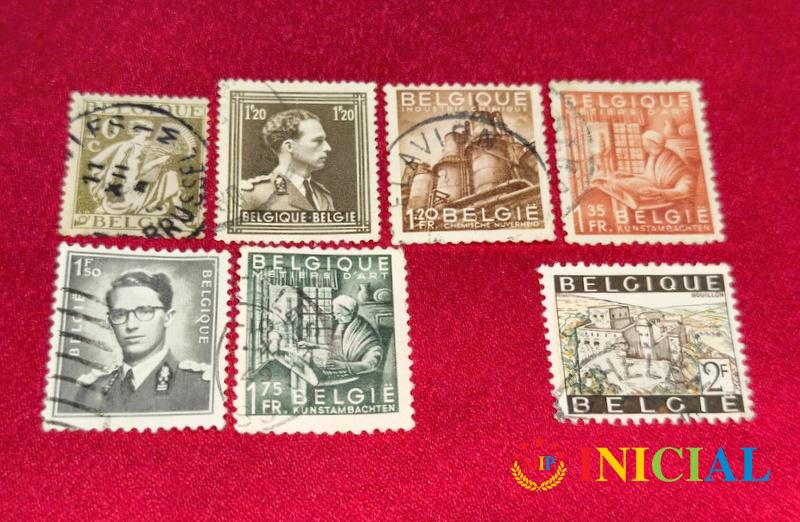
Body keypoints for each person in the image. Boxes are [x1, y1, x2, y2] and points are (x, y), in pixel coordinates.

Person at [73, 271, 210, 413]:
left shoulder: (199, 387)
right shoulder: (91, 391)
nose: (131, 325)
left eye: (145, 311)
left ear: (168, 317)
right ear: (110, 322)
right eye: (120, 314)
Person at [239, 109, 335, 211]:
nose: (328, 148)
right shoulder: (254, 194)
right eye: (318, 141)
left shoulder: (323, 195)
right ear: (290, 146)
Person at [298, 295, 383, 383]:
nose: (336, 317)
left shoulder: (363, 330)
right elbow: (339, 351)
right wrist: (313, 346)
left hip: (360, 379)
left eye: (339, 314)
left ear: (351, 311)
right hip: (342, 374)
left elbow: (370, 364)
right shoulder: (342, 325)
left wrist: (344, 366)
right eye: (335, 314)